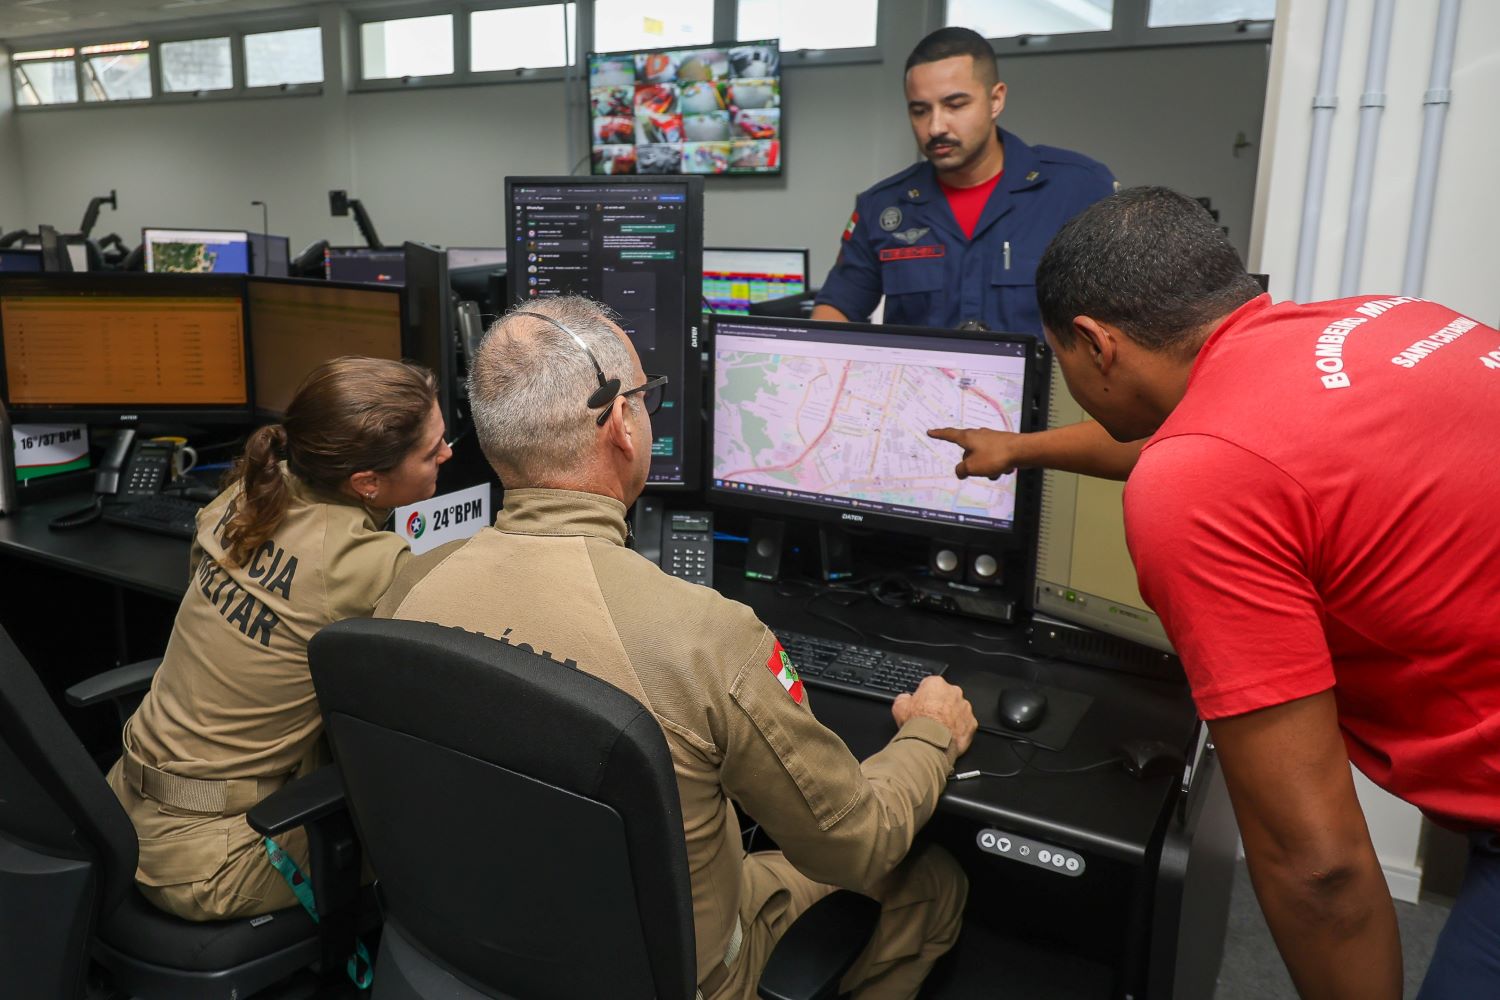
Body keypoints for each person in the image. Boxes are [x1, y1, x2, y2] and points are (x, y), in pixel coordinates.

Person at [376, 296, 975, 1000]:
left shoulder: (406, 588)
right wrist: (933, 733)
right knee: (934, 882)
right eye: (645, 398)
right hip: (676, 976)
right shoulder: (705, 637)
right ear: (623, 427)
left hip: (478, 948)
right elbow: (856, 841)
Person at [996, 186, 1500, 998]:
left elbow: (1319, 871)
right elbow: (1225, 442)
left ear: (1095, 344)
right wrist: (1021, 448)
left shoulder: (1197, 480)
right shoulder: (1378, 322)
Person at [107, 357, 452, 921]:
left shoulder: (252, 491)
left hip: (122, 806)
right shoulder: (364, 565)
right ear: (365, 482)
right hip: (210, 861)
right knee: (441, 835)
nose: (447, 454)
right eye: (431, 450)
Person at [813, 26, 1114, 334]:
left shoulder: (1076, 188)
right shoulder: (883, 206)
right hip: (921, 381)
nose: (935, 127)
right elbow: (836, 308)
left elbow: (1124, 314)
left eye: (955, 105)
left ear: (995, 100)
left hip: (1040, 382)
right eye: (920, 111)